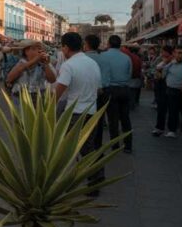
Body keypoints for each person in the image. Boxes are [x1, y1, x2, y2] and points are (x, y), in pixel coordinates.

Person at [55, 32, 104, 196]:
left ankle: (92, 180)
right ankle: (97, 176)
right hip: (92, 110)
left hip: (75, 112)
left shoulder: (68, 65)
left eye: (62, 47)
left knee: (73, 148)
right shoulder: (92, 63)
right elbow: (99, 89)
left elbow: (59, 90)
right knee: (89, 146)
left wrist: (48, 107)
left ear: (66, 47)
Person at [100, 35, 135, 152]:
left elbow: (102, 76)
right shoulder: (126, 58)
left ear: (109, 44)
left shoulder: (103, 56)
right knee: (126, 118)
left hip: (111, 89)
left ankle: (115, 146)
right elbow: (129, 74)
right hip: (125, 89)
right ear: (120, 44)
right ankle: (128, 145)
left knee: (112, 120)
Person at [161, 45, 182, 140]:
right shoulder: (170, 64)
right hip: (171, 90)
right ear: (174, 53)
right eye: (178, 53)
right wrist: (165, 63)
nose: (180, 55)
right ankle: (172, 130)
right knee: (172, 111)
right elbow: (163, 74)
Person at [83, 34, 111, 149]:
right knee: (99, 119)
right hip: (103, 91)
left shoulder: (83, 58)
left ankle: (86, 144)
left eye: (84, 43)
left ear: (87, 45)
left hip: (87, 93)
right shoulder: (105, 58)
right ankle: (97, 145)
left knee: (86, 120)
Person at [152, 46, 175, 137]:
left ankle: (171, 129)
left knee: (171, 108)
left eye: (163, 52)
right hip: (160, 85)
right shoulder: (160, 59)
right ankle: (159, 127)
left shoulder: (173, 61)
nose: (162, 54)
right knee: (161, 107)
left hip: (169, 85)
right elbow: (155, 69)